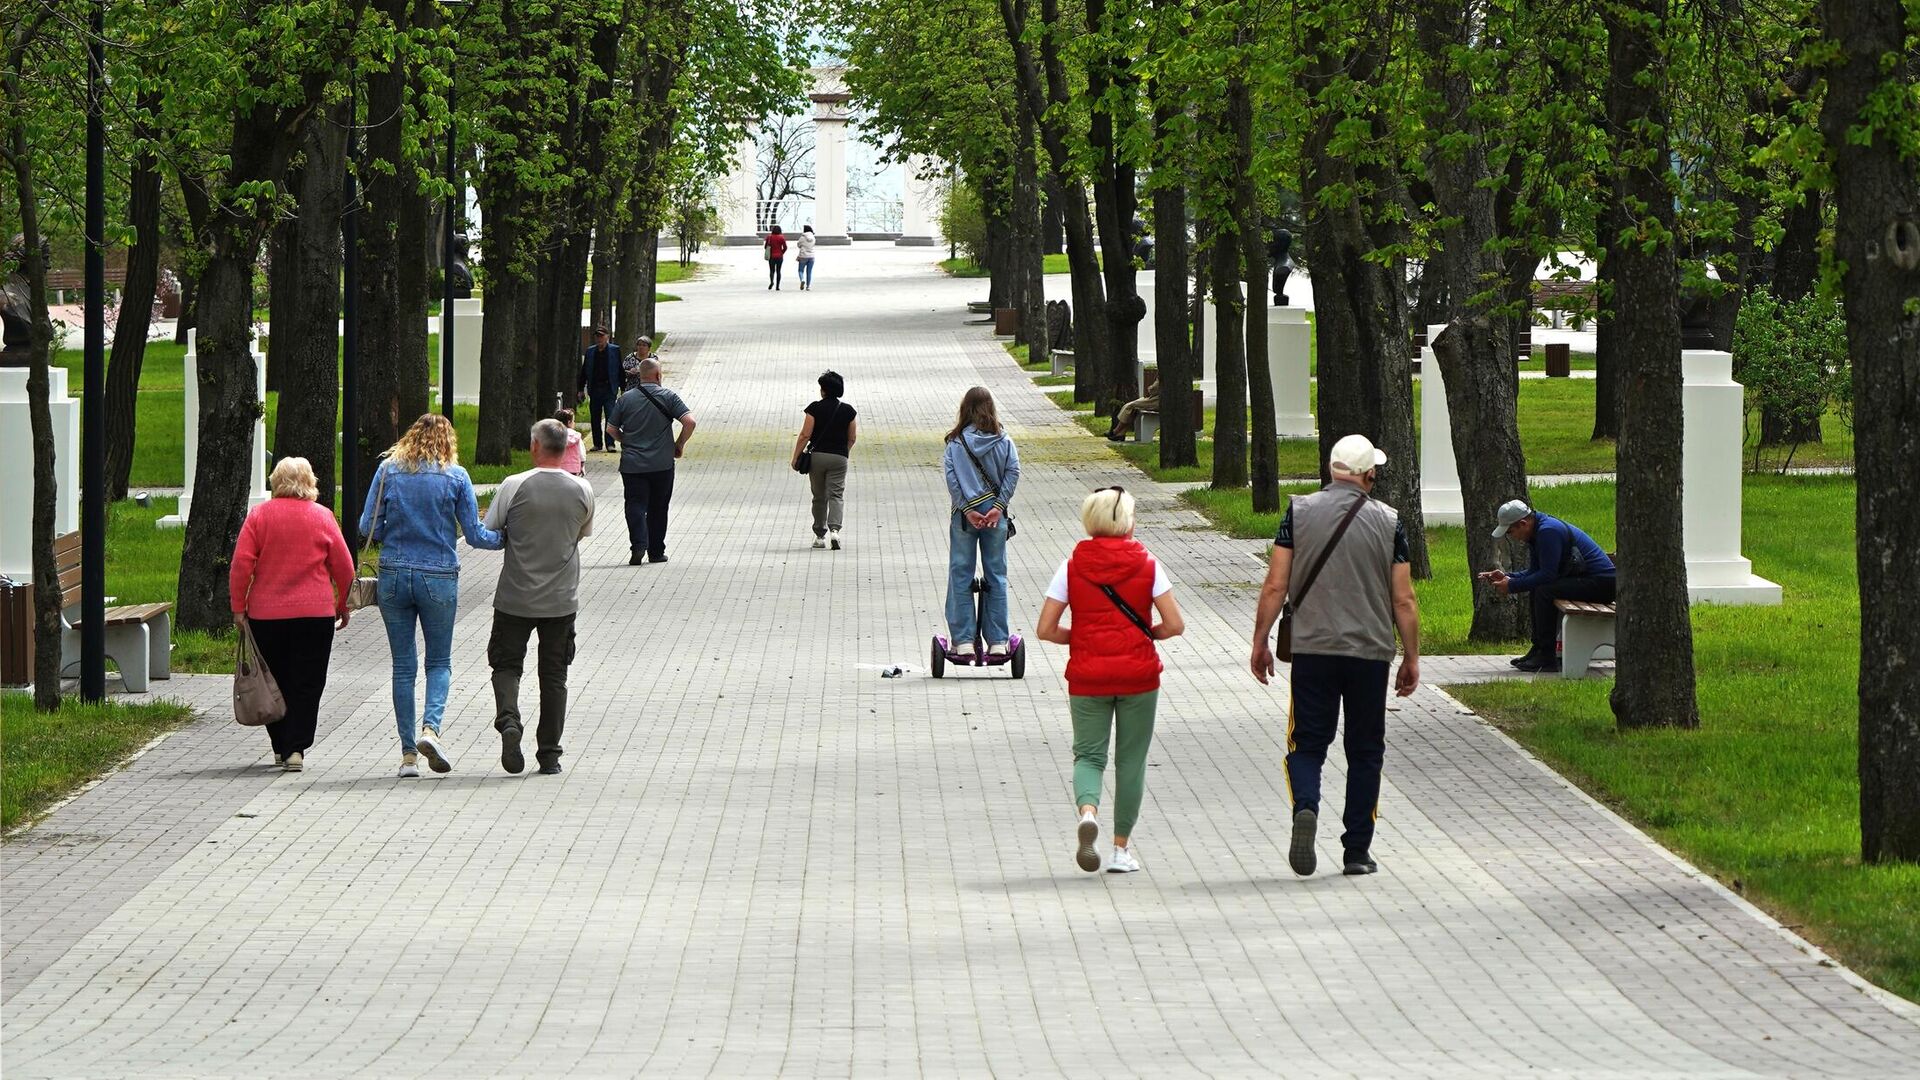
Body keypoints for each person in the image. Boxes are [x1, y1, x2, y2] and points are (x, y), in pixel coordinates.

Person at [1250, 434, 1420, 878]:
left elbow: (1275, 584)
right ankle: (1357, 852)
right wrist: (1412, 658)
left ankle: (1305, 807)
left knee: (1307, 743)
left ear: (1331, 470)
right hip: (1369, 652)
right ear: (1369, 475)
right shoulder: (1390, 522)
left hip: (1312, 649)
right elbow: (1403, 599)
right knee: (1365, 750)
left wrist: (1260, 641)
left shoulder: (1298, 512)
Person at [1035, 486, 1186, 874]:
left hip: (1087, 677)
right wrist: (1146, 634)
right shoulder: (1149, 565)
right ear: (1127, 522)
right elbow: (1175, 624)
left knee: (1088, 756)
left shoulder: (1070, 567)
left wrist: (1081, 637)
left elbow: (1046, 629)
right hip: (1138, 676)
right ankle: (1121, 850)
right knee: (1131, 762)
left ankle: (1088, 813)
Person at [358, 415, 505, 778]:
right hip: (438, 575)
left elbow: (366, 527)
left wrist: (399, 528)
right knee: (438, 661)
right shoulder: (456, 476)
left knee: (403, 666)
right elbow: (473, 535)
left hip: (393, 575)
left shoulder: (388, 471)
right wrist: (508, 539)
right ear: (447, 442)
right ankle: (431, 729)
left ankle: (408, 756)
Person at [483, 419, 595, 775]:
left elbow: (491, 528)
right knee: (554, 675)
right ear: (565, 449)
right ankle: (549, 754)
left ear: (534, 446)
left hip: (515, 596)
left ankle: (509, 719)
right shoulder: (583, 489)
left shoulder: (514, 485)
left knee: (505, 664)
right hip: (561, 600)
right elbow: (581, 533)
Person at [229, 457, 354, 772]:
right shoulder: (322, 517)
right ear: (310, 482)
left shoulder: (259, 516)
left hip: (266, 617)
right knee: (309, 682)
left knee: (274, 680)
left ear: (276, 483)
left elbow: (241, 564)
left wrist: (238, 608)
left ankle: (280, 744)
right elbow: (345, 568)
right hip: (315, 617)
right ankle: (295, 747)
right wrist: (342, 605)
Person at [1480, 499, 1616, 673]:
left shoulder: (1547, 532)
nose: (1511, 537)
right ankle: (1538, 649)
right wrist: (1508, 577)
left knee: (1544, 590)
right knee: (1539, 587)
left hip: (1602, 584)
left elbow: (1547, 575)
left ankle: (1546, 655)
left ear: (1523, 523)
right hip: (1590, 581)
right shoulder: (1537, 532)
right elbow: (1535, 572)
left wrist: (1512, 586)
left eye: (1510, 531)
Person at [943, 387, 1020, 655]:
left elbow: (952, 480)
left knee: (961, 572)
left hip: (966, 516)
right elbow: (1013, 472)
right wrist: (998, 507)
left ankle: (964, 640)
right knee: (996, 574)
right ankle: (998, 640)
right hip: (995, 515)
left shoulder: (955, 443)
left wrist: (966, 509)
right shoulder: (1004, 441)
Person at [605, 356, 695, 565]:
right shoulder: (668, 396)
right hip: (662, 464)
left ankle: (638, 545)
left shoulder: (625, 399)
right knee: (658, 507)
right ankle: (656, 551)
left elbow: (610, 429)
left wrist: (626, 441)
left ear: (639, 375)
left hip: (632, 464)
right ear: (657, 375)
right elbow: (689, 422)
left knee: (635, 504)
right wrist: (679, 444)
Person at [790, 369, 857, 549]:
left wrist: (795, 456)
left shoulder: (814, 408)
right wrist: (843, 453)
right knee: (836, 494)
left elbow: (805, 435)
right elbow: (852, 438)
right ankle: (835, 530)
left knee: (819, 496)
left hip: (818, 458)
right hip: (839, 458)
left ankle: (820, 535)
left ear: (824, 390)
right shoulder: (848, 411)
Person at [576, 326, 622, 452]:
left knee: (610, 415)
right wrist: (581, 389)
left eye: (602, 336)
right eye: (597, 336)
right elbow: (584, 371)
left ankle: (610, 443)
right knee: (595, 417)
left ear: (607, 337)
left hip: (609, 389)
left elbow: (619, 370)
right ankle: (597, 443)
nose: (599, 339)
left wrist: (623, 389)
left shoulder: (615, 350)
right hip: (595, 389)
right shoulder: (590, 351)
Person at [554, 407, 586, 476]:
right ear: (569, 422)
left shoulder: (554, 436)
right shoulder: (575, 436)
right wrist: (582, 464)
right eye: (573, 421)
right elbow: (581, 453)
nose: (574, 423)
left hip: (558, 467)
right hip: (573, 468)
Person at [764, 225, 788, 290]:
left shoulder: (769, 237)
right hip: (779, 257)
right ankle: (777, 286)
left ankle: (771, 282)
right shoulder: (781, 237)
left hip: (771, 256)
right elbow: (785, 247)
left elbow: (765, 247)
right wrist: (781, 252)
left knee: (772, 270)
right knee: (778, 271)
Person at [795, 224, 817, 290]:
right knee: (809, 272)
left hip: (803, 256)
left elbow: (798, 245)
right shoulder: (813, 237)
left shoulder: (802, 237)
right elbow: (813, 245)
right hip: (812, 256)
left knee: (800, 270)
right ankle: (808, 286)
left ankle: (802, 280)